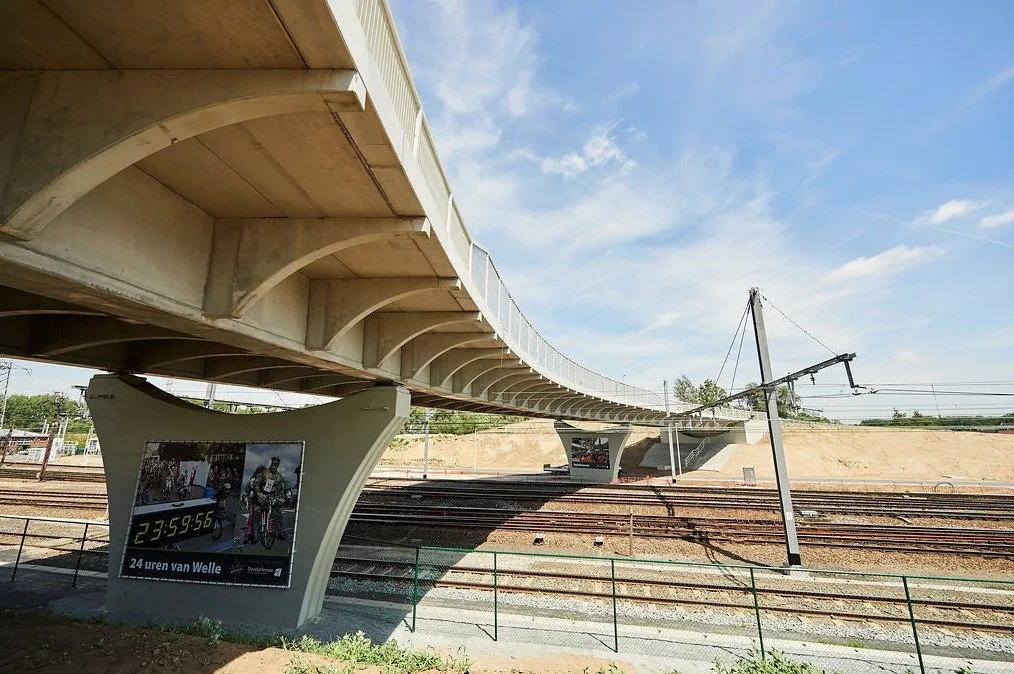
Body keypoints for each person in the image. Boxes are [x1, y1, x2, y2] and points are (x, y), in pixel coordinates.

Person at [255, 456, 288, 541]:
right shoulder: (264, 473)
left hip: (273, 496)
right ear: (271, 464)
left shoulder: (278, 476)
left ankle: (280, 531)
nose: (275, 466)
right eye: (273, 464)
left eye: (277, 465)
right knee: (258, 511)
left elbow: (281, 489)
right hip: (263, 495)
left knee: (277, 511)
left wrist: (282, 498)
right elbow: (257, 483)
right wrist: (259, 492)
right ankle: (255, 531)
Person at [243, 465, 266, 544]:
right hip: (254, 501)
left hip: (262, 501)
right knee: (252, 518)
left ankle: (256, 533)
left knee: (259, 518)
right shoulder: (253, 479)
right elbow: (248, 489)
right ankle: (248, 534)